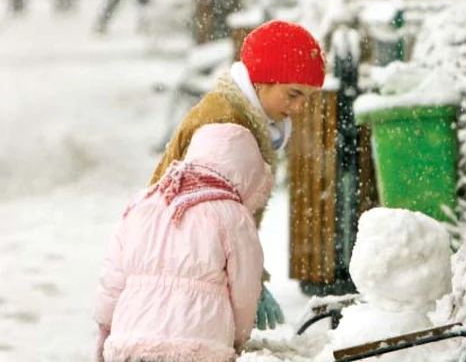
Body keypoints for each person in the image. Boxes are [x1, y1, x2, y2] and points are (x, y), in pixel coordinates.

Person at [151, 19, 325, 331]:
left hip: (190, 274)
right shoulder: (227, 129)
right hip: (185, 280)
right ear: (262, 81)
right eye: (294, 94)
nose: (299, 108)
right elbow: (212, 222)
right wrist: (245, 282)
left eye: (306, 99)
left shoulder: (243, 118)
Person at [94, 123, 273, 361]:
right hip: (201, 345)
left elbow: (112, 277)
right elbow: (245, 289)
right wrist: (239, 337)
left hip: (132, 340)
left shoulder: (143, 204)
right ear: (247, 174)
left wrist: (106, 326)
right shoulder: (233, 215)